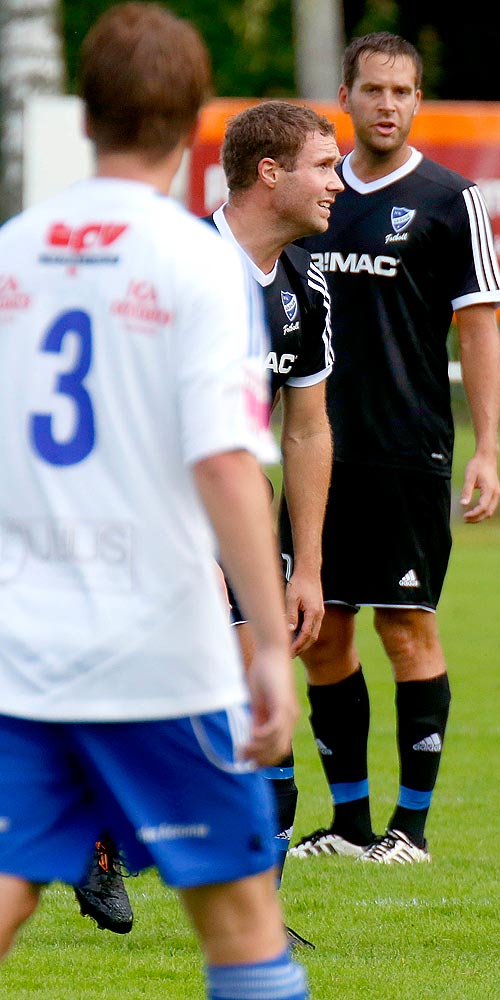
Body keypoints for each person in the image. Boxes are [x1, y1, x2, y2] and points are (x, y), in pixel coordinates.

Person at [0, 6, 307, 1000]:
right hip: (161, 653)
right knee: (242, 916)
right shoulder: (198, 263)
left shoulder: (11, 252)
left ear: (83, 115)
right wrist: (265, 639)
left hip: (24, 644)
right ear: (192, 125)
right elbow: (224, 462)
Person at [71, 100, 342, 949]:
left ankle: (253, 910)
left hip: (233, 522)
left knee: (255, 708)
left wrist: (306, 567)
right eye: (324, 166)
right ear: (270, 175)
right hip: (135, 520)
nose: (339, 183)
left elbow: (306, 429)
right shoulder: (176, 265)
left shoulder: (306, 286)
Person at [290, 31, 500, 865]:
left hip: (407, 454)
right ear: (345, 96)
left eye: (403, 92)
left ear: (419, 101)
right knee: (320, 631)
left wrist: (486, 448)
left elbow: (478, 329)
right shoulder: (310, 197)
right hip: (316, 455)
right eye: (374, 89)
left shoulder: (454, 200)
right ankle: (347, 826)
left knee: (407, 629)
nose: (388, 104)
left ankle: (409, 832)